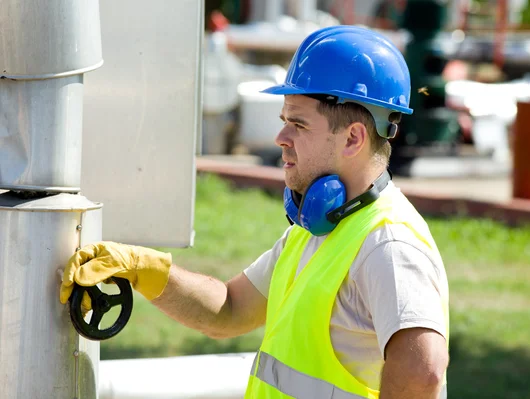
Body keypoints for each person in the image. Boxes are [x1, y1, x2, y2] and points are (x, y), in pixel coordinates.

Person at [60, 25, 450, 399]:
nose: (281, 138)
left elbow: (423, 374)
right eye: (284, 121)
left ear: (353, 138)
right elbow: (228, 309)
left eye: (298, 124)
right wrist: (143, 267)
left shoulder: (389, 245)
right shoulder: (317, 228)